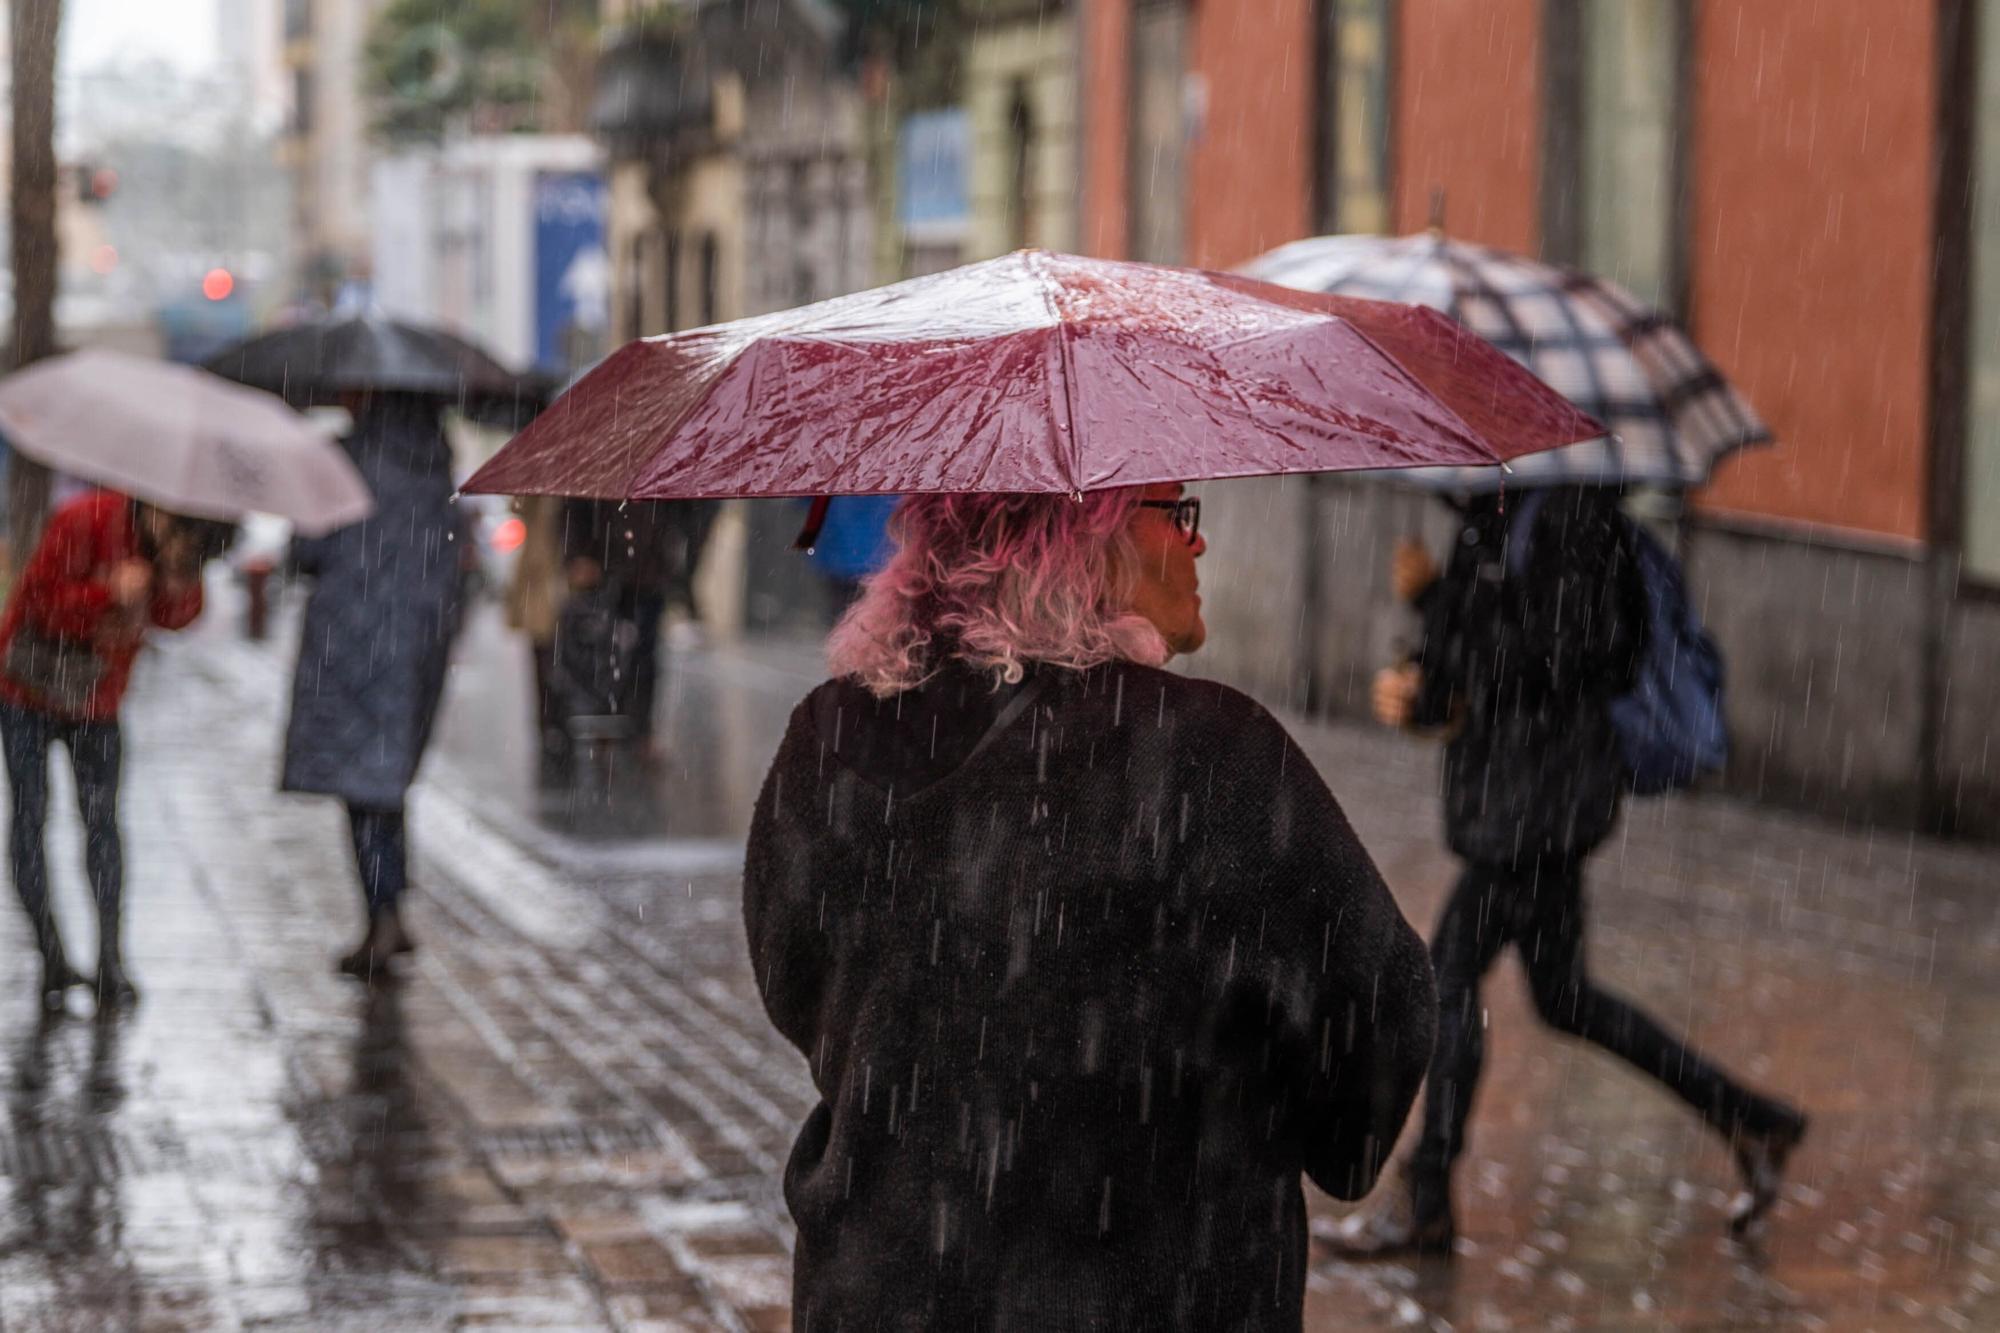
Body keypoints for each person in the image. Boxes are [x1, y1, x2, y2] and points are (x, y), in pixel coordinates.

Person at [744, 483, 1438, 1330]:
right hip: (1162, 1297)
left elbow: (797, 985)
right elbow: (1376, 1013)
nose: (1198, 545)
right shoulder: (1211, 753)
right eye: (1176, 515)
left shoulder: (829, 735)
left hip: (889, 1287)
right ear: (1086, 537)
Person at [1335, 486, 1807, 1257]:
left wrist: (1436, 596)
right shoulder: (1492, 514)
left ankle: (1426, 1197)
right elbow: (1471, 674)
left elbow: (1566, 656)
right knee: (1565, 997)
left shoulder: (1573, 519)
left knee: (1445, 974)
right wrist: (1417, 689)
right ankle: (1750, 1118)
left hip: (1541, 810)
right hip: (1515, 801)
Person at [0, 489, 233, 1010]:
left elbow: (177, 618)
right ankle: (51, 957)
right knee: (30, 818)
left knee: (102, 823)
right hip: (27, 692)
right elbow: (37, 597)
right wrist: (106, 594)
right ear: (162, 509)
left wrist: (176, 581)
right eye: (178, 538)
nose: (178, 548)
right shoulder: (84, 518)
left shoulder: (176, 549)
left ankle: (111, 960)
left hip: (99, 699)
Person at [282, 393, 465, 981]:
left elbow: (305, 551)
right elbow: (453, 558)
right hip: (418, 640)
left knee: (361, 783)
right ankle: (390, 909)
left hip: (350, 639)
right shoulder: (436, 466)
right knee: (388, 778)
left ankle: (380, 913)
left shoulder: (339, 460)